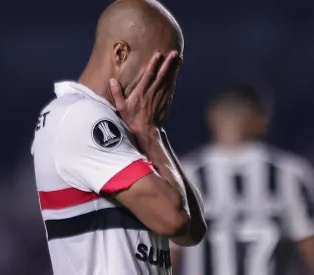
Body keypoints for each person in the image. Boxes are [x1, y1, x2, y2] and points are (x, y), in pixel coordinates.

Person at [31, 1, 206, 275]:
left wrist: (153, 135)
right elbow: (174, 221)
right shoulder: (82, 117)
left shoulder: (126, 125)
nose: (168, 83)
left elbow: (192, 231)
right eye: (162, 65)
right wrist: (149, 133)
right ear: (120, 53)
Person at [171, 83, 314, 275]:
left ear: (212, 117)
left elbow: (167, 257)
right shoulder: (291, 173)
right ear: (262, 120)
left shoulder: (184, 174)